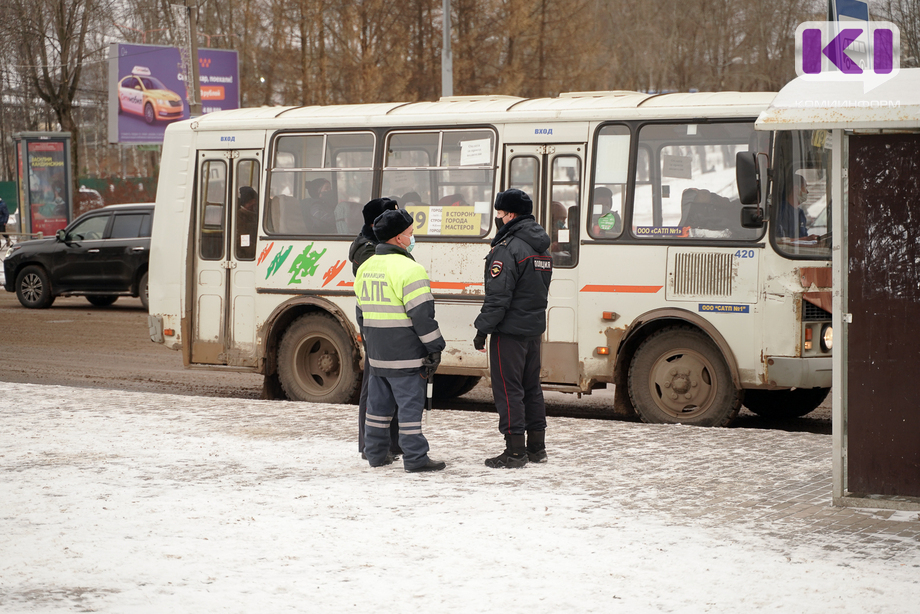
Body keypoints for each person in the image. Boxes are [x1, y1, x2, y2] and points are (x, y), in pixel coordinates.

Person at [354, 208, 447, 473]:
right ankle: (416, 458)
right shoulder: (410, 269)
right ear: (398, 238)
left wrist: (371, 343)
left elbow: (361, 313)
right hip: (405, 353)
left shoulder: (366, 267)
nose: (412, 237)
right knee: (409, 409)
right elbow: (422, 316)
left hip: (378, 353)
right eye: (410, 233)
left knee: (378, 408)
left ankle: (375, 454)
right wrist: (435, 348)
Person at [473, 189, 553, 468]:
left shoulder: (508, 249)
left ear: (509, 215)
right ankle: (537, 448)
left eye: (499, 214)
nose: (497, 219)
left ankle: (515, 451)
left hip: (508, 332)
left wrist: (482, 329)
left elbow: (498, 297)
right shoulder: (541, 247)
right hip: (533, 330)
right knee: (532, 388)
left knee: (508, 390)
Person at [348, 197, 400, 459]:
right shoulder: (368, 250)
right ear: (375, 222)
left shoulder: (379, 245)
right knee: (373, 385)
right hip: (376, 324)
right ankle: (369, 444)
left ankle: (392, 443)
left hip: (387, 323)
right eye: (390, 216)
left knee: (391, 384)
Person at [776, 175, 814, 240]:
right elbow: (781, 240)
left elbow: (803, 235)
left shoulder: (800, 213)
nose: (807, 192)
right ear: (796, 189)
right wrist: (805, 239)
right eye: (805, 188)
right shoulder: (782, 211)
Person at [237, 186, 258, 259]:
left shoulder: (253, 215)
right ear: (247, 203)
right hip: (244, 255)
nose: (255, 205)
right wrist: (257, 250)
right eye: (253, 203)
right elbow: (243, 240)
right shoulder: (240, 217)